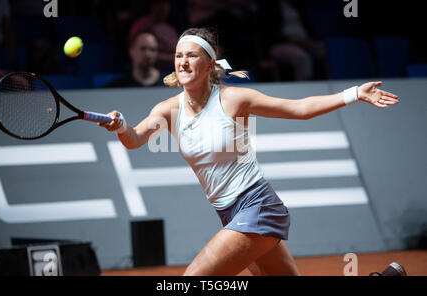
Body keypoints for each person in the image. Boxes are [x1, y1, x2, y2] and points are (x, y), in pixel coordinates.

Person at [99, 27, 399, 275]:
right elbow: (135, 139)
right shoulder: (167, 109)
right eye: (179, 56)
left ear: (209, 64)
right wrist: (122, 126)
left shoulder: (234, 99)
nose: (183, 62)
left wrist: (354, 93)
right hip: (229, 214)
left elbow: (299, 109)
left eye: (192, 55)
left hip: (257, 206)